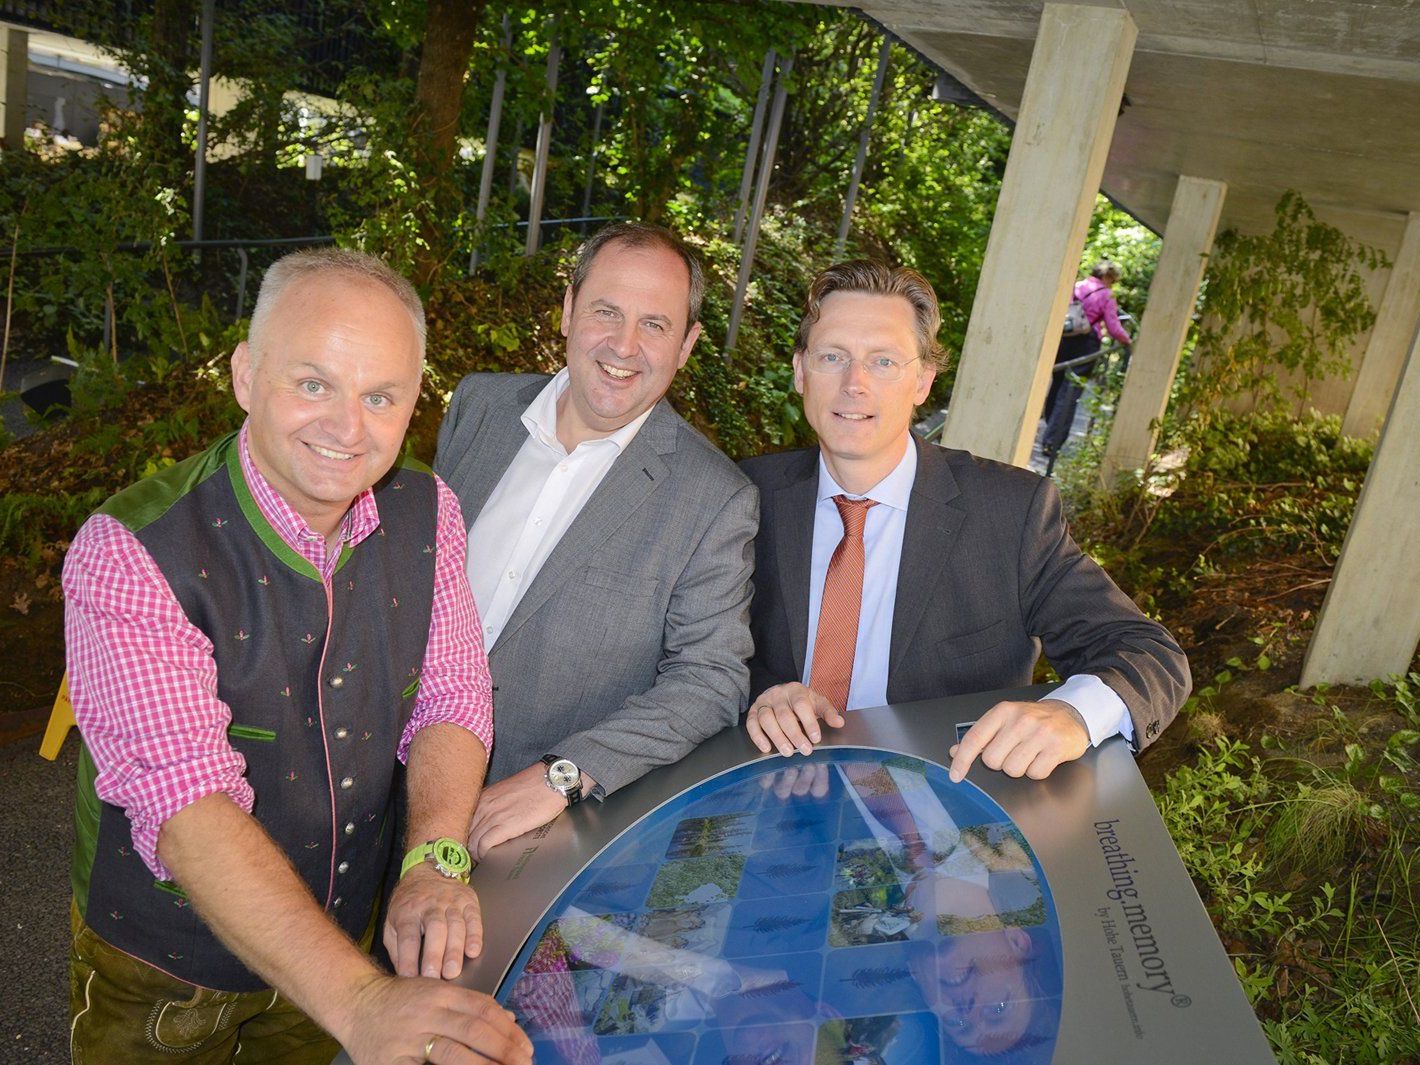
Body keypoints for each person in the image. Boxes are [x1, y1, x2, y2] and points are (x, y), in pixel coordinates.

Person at [63, 249, 531, 1064]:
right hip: (169, 972)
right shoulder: (131, 551)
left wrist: (431, 858)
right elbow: (188, 807)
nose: (348, 428)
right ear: (246, 375)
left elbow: (452, 696)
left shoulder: (431, 507)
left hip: (343, 941)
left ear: (413, 402)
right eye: (313, 383)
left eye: (379, 395)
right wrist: (364, 999)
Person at [741, 260, 1188, 781]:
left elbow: (1148, 653)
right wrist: (759, 694)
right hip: (772, 786)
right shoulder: (745, 497)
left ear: (923, 381)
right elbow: (687, 656)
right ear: (800, 371)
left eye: (883, 361)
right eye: (832, 356)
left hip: (941, 812)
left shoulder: (1011, 511)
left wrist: (1072, 713)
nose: (854, 383)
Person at [435, 221, 757, 858]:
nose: (624, 344)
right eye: (606, 311)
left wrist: (565, 773)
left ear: (688, 345)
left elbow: (710, 679)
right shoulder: (479, 406)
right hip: (387, 773)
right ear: (566, 311)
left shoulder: (714, 497)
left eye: (656, 325)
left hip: (526, 826)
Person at [1041, 260, 1133, 459]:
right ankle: (1052, 443)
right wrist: (1128, 341)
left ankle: (1050, 430)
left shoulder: (1077, 286)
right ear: (1108, 277)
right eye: (1113, 280)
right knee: (1070, 392)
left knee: (1056, 386)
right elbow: (1113, 326)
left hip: (1064, 340)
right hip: (1086, 345)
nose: (1112, 284)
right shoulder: (1106, 294)